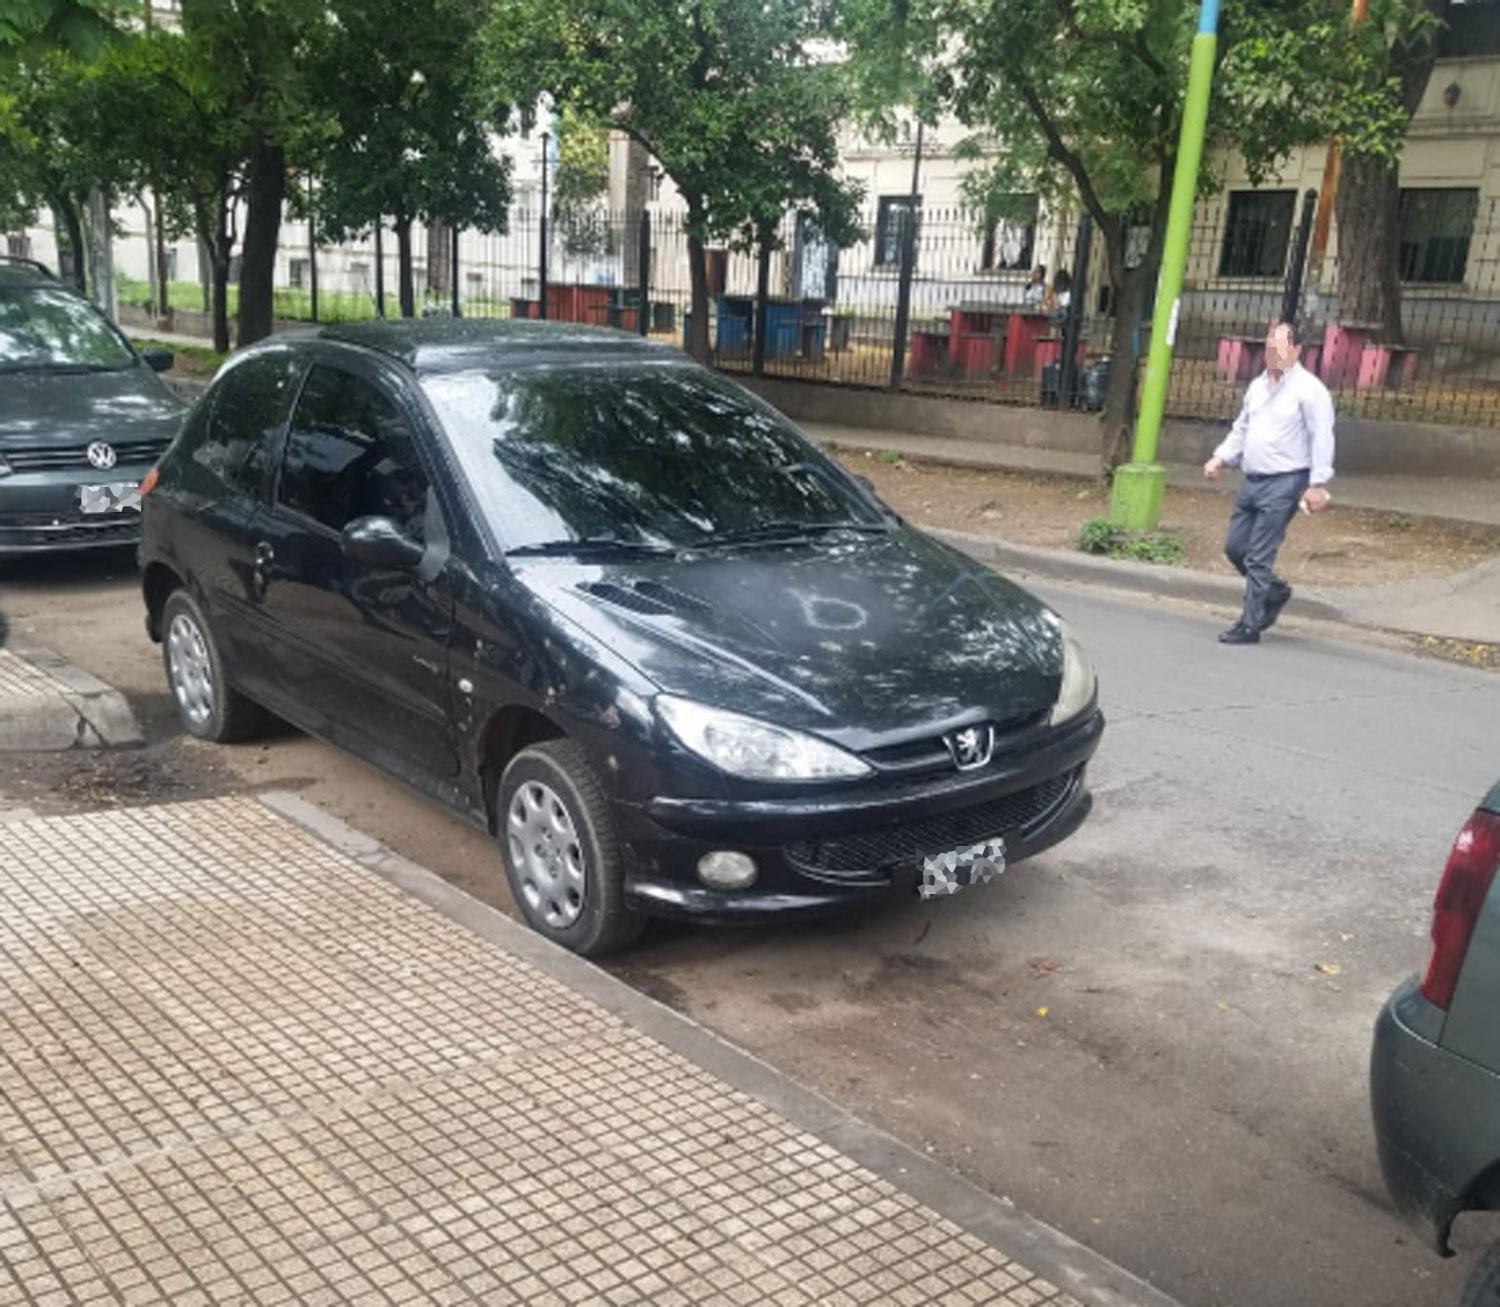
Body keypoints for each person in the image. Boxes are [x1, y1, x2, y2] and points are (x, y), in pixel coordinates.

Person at [1204, 321, 1335, 645]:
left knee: (1260, 554)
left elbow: (1322, 437)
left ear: (1296, 351)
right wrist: (1221, 457)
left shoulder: (1310, 390)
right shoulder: (1258, 386)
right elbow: (1242, 428)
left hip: (1286, 481)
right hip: (1253, 477)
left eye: (1280, 348)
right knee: (1236, 547)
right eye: (1269, 348)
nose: (1273, 355)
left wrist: (1317, 482)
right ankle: (1275, 592)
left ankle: (1249, 624)